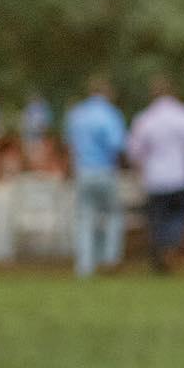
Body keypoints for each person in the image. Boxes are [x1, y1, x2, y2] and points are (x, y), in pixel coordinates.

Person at [127, 75, 184, 273]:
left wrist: (139, 169)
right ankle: (170, 248)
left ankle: (160, 249)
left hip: (154, 178)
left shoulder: (145, 118)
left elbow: (135, 151)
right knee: (178, 216)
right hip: (180, 176)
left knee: (157, 218)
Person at [63, 76, 129, 278]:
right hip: (105, 170)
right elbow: (117, 145)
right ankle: (110, 259)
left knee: (85, 219)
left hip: (82, 172)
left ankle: (84, 266)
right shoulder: (110, 114)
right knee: (113, 216)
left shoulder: (77, 114)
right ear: (107, 92)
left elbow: (69, 144)